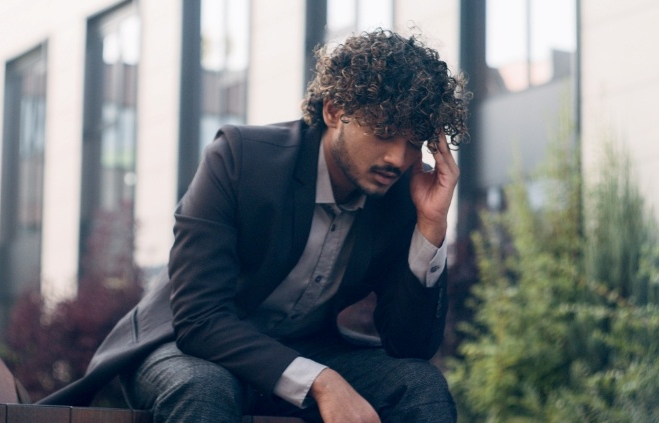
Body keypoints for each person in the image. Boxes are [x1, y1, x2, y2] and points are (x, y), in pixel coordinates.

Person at [40, 28, 469, 423]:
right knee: (204, 388)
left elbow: (410, 349)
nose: (398, 158)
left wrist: (430, 226)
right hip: (183, 346)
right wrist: (321, 380)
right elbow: (199, 317)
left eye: (414, 142)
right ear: (335, 110)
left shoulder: (399, 195)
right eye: (385, 132)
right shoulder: (242, 158)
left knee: (421, 387)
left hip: (304, 349)